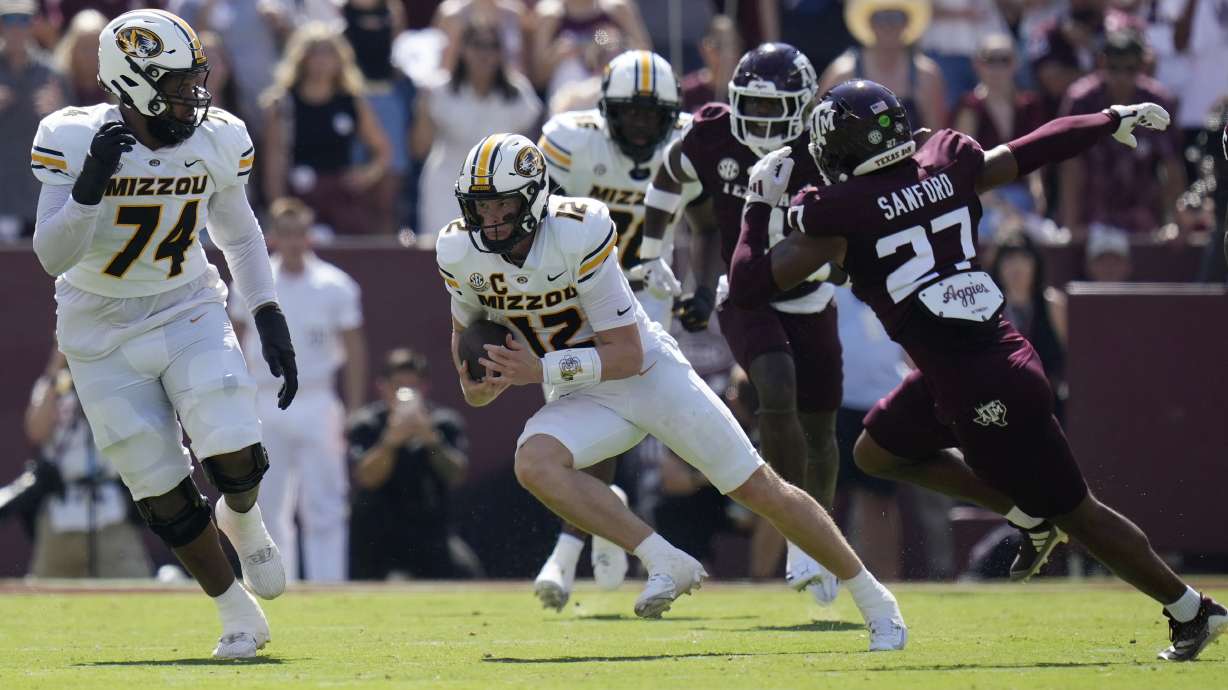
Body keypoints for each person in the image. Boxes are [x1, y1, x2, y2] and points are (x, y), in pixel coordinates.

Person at [726, 77, 1225, 660]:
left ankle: (1191, 609)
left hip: (983, 382)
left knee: (1078, 512)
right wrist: (1106, 120)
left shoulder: (838, 212)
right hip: (976, 361)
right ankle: (1027, 517)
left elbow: (747, 285)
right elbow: (1033, 147)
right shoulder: (945, 162)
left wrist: (757, 206)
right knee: (876, 450)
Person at [435, 133, 906, 650]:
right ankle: (663, 558)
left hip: (646, 374)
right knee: (534, 462)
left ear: (535, 196)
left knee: (758, 488)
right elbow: (470, 362)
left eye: (503, 204)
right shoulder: (460, 251)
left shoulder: (576, 231)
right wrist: (485, 381)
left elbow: (627, 354)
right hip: (583, 392)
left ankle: (877, 600)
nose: (492, 220)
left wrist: (540, 369)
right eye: (481, 207)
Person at [30, 9, 298, 659]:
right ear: (134, 82)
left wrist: (266, 312)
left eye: (192, 80)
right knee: (154, 480)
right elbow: (50, 254)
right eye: (177, 84)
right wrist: (91, 186)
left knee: (232, 432)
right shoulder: (72, 139)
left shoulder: (217, 138)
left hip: (185, 302)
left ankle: (244, 513)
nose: (192, 95)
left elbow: (239, 232)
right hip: (98, 323)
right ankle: (238, 612)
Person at [639, 43, 845, 605]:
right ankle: (798, 540)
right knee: (776, 388)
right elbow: (670, 173)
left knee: (822, 431)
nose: (761, 121)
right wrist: (650, 251)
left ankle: (819, 540)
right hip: (746, 292)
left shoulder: (824, 143)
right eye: (750, 107)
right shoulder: (712, 136)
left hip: (812, 291)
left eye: (773, 108)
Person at [530, 50, 702, 608]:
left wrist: (704, 283)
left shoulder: (687, 143)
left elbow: (710, 219)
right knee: (570, 414)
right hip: (573, 289)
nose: (642, 125)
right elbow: (539, 220)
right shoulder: (569, 141)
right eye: (630, 113)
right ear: (606, 110)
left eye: (654, 116)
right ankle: (596, 530)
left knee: (610, 409)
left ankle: (567, 549)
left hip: (644, 290)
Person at [230, 198, 367, 582]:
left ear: (309, 236)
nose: (292, 242)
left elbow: (354, 348)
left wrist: (353, 406)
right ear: (273, 236)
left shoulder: (335, 285)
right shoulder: (252, 282)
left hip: (317, 398)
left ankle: (328, 585)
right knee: (270, 504)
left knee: (324, 502)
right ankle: (278, 585)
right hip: (266, 399)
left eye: (299, 233)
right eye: (285, 234)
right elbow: (236, 339)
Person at [24, 345, 152, 578]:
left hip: (110, 511)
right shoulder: (53, 386)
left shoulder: (115, 380)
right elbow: (36, 430)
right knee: (44, 600)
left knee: (133, 591)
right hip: (62, 513)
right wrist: (56, 368)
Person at [347, 348, 474, 580]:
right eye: (397, 385)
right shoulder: (367, 424)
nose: (403, 394)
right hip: (377, 538)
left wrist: (431, 440)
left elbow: (456, 475)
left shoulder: (443, 422)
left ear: (424, 388)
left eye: (412, 387)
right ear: (382, 386)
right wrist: (390, 442)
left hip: (431, 536)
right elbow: (366, 477)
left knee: (467, 570)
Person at [410, 16, 541, 240]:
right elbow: (419, 149)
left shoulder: (519, 93)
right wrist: (422, 106)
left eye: (492, 46)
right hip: (446, 187)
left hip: (502, 193)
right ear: (463, 50)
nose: (485, 54)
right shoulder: (439, 92)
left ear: (501, 53)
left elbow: (531, 153)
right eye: (477, 45)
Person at [260, 22, 392, 236]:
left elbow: (382, 151)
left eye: (329, 54)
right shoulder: (283, 104)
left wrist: (366, 175)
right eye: (315, 54)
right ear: (302, 59)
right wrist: (278, 208)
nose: (322, 61)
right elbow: (274, 163)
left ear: (340, 60)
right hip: (299, 199)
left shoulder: (351, 102)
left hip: (342, 200)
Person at [1058, 30, 1184, 238]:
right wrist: (1072, 225)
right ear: (1101, 63)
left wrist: (1173, 224)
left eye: (1130, 69)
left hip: (1143, 218)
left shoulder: (1157, 102)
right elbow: (1071, 165)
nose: (1122, 77)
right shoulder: (1082, 101)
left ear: (1143, 66)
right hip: (1092, 216)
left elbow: (1172, 165)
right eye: (1114, 68)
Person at [820, 0, 947, 133]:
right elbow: (821, 129)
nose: (888, 25)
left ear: (907, 22)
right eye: (880, 17)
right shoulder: (842, 74)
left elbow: (935, 137)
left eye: (897, 17)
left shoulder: (927, 76)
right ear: (868, 23)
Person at [1, 0, 66, 241]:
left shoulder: (53, 72)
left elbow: (76, 132)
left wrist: (59, 112)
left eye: (24, 20)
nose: (17, 28)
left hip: (38, 195)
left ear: (33, 25)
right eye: (9, 20)